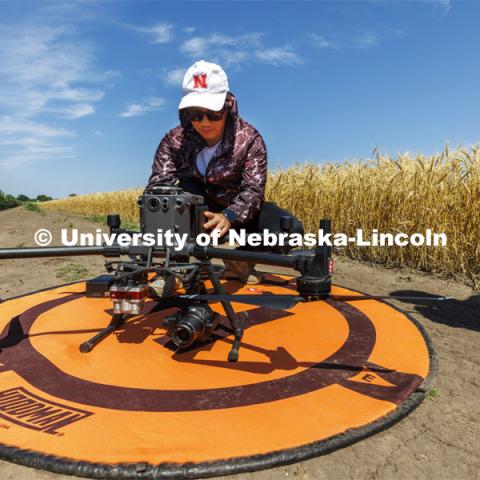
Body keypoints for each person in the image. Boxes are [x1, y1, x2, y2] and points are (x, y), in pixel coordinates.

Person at [147, 60, 303, 284]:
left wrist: (228, 217)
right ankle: (182, 265)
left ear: (228, 105)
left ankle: (240, 260)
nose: (205, 122)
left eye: (213, 113)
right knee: (179, 194)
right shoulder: (173, 141)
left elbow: (253, 191)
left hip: (238, 218)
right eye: (196, 114)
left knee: (289, 229)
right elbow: (157, 188)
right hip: (193, 217)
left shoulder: (249, 139)